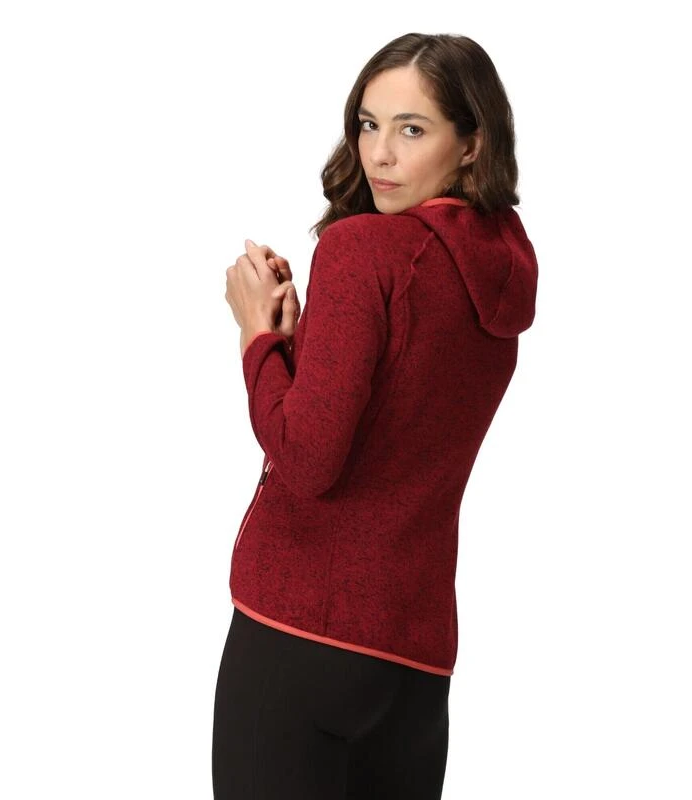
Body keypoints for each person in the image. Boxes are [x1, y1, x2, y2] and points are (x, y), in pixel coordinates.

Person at [214, 31, 539, 799]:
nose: (380, 154)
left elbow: (307, 459)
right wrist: (306, 345)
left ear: (472, 143)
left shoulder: (364, 251)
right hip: (415, 663)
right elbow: (396, 415)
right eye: (368, 124)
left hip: (298, 634)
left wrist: (258, 338)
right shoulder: (501, 270)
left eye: (412, 129)